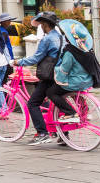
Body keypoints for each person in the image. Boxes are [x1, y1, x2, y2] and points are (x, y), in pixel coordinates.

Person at [15, 11, 65, 145]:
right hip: (59, 73)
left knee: (32, 103)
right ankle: (64, 135)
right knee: (56, 104)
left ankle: (42, 133)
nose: (40, 26)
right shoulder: (61, 37)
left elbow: (36, 58)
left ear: (45, 24)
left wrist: (19, 62)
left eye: (42, 24)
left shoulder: (47, 39)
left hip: (48, 75)